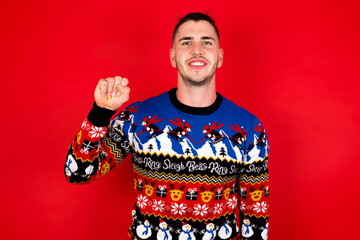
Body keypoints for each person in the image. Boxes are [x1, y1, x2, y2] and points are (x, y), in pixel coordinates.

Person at [65, 12, 270, 240]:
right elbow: (78, 173)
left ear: (220, 57)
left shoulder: (249, 128)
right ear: (173, 57)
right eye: (186, 42)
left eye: (206, 41)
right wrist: (101, 112)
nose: (196, 49)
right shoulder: (136, 118)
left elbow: (256, 218)